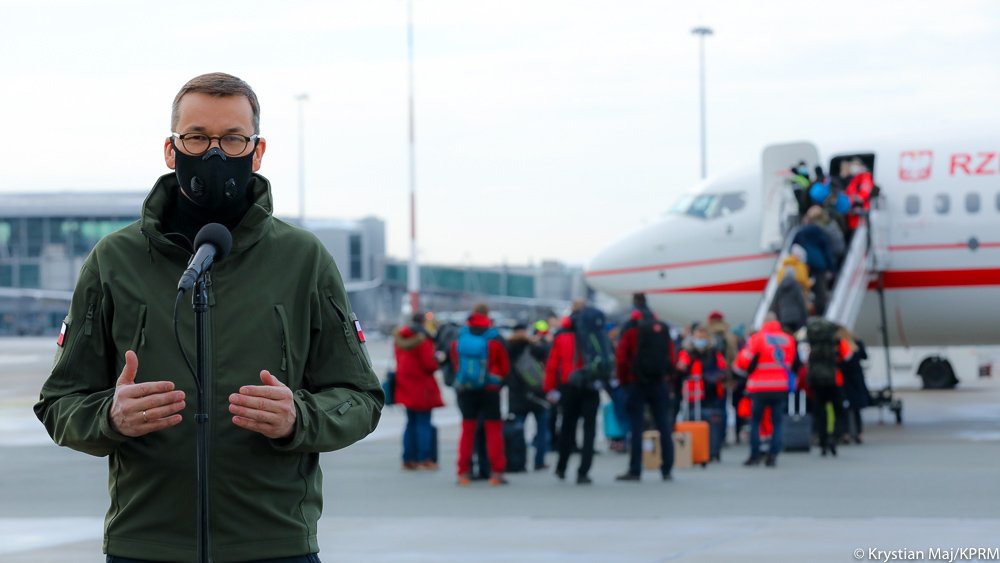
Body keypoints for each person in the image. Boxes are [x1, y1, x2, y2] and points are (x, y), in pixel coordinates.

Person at [33, 72, 384, 563]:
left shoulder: (304, 259)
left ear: (257, 152)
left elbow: (361, 398)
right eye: (197, 137)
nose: (214, 153)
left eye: (233, 138)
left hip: (274, 545)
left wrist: (298, 417)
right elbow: (59, 404)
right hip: (146, 544)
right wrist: (109, 415)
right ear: (171, 149)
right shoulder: (114, 259)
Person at [451, 303, 510, 486]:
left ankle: (463, 473)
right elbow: (505, 367)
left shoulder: (460, 337)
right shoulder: (495, 338)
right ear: (488, 315)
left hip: (467, 389)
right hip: (490, 390)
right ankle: (496, 472)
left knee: (467, 431)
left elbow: (455, 364)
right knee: (493, 431)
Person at [614, 309, 676, 481]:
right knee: (664, 425)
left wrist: (623, 380)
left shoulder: (631, 332)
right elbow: (671, 356)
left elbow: (621, 358)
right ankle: (667, 468)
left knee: (636, 427)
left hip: (636, 383)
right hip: (659, 383)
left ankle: (635, 469)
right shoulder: (662, 331)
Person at [733, 313, 797, 467]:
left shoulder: (757, 338)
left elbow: (743, 360)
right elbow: (792, 361)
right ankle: (773, 455)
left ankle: (755, 455)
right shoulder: (788, 339)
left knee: (755, 422)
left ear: (764, 323)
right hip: (780, 386)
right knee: (777, 422)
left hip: (759, 387)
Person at [543, 314, 600, 485]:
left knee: (567, 428)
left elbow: (552, 365)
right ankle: (584, 471)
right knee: (589, 430)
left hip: (569, 386)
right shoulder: (594, 338)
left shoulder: (562, 338)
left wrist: (549, 388)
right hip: (591, 386)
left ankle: (562, 467)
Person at [393, 312, 444, 470]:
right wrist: (439, 359)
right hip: (421, 387)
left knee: (410, 423)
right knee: (424, 423)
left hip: (405, 385)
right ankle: (424, 458)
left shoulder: (400, 338)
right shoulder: (423, 340)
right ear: (423, 323)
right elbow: (429, 365)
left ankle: (408, 458)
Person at [802, 317, 854, 457]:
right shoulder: (837, 342)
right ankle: (834, 436)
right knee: (839, 412)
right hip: (834, 381)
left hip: (816, 381)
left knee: (820, 412)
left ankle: (823, 441)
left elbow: (804, 359)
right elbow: (848, 357)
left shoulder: (812, 343)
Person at [676, 324, 728, 462]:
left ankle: (713, 450)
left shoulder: (714, 351)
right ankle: (695, 450)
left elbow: (722, 368)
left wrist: (714, 377)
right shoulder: (686, 351)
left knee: (713, 422)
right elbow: (681, 368)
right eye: (699, 334)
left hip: (711, 392)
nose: (701, 337)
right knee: (693, 420)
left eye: (704, 334)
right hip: (692, 394)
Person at [506, 323, 551, 471]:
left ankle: (519, 460)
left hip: (517, 395)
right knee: (542, 430)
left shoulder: (508, 349)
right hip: (537, 394)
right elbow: (547, 354)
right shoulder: (532, 347)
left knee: (518, 430)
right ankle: (539, 461)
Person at [839, 332, 870, 444]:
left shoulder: (841, 346)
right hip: (856, 380)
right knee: (856, 410)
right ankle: (859, 434)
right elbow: (865, 356)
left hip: (845, 380)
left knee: (845, 410)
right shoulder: (857, 345)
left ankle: (846, 433)